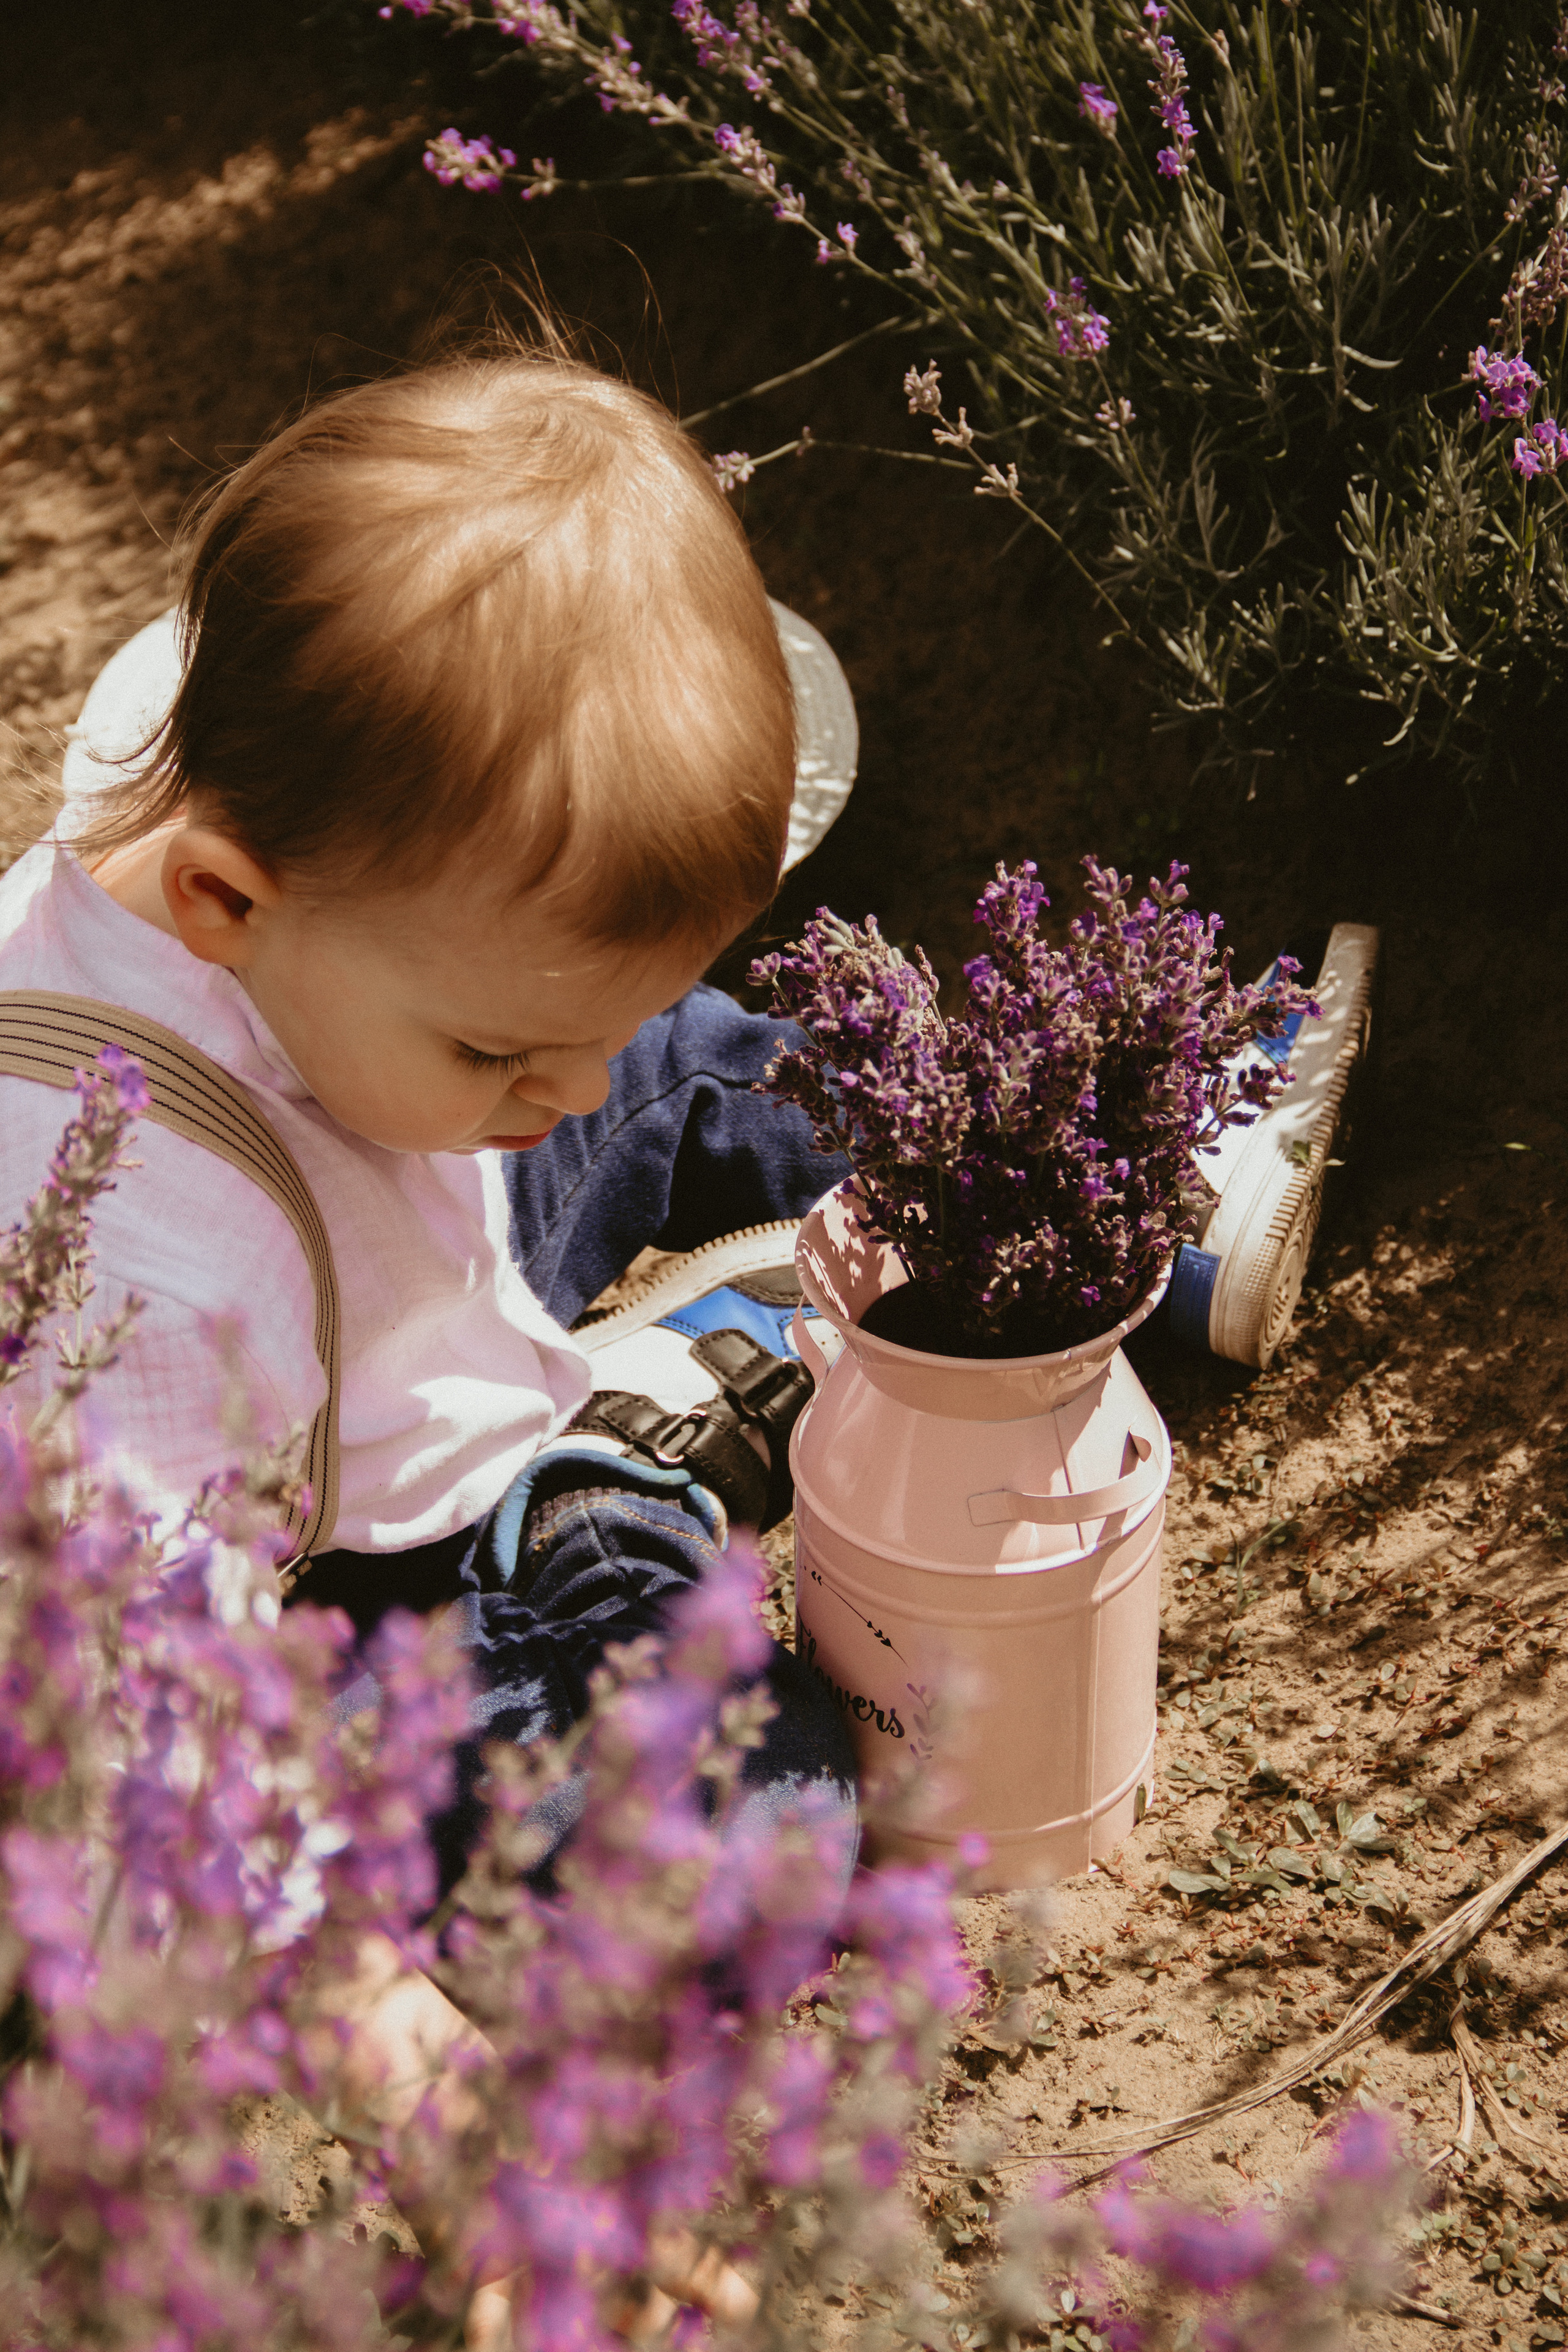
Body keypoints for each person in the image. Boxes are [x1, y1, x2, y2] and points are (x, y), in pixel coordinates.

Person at [0, 330, 857, 2335]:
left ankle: (1012, 1137)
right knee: (763, 1833)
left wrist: (516, 1059)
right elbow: (156, 1757)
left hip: (369, 1242)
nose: (546, 1088)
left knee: (677, 1076)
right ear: (223, 899)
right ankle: (649, 1423)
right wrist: (410, 2066)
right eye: (501, 1043)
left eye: (559, 1033)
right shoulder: (136, 1288)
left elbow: (523, 1058)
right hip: (298, 1578)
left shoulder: (306, 915)